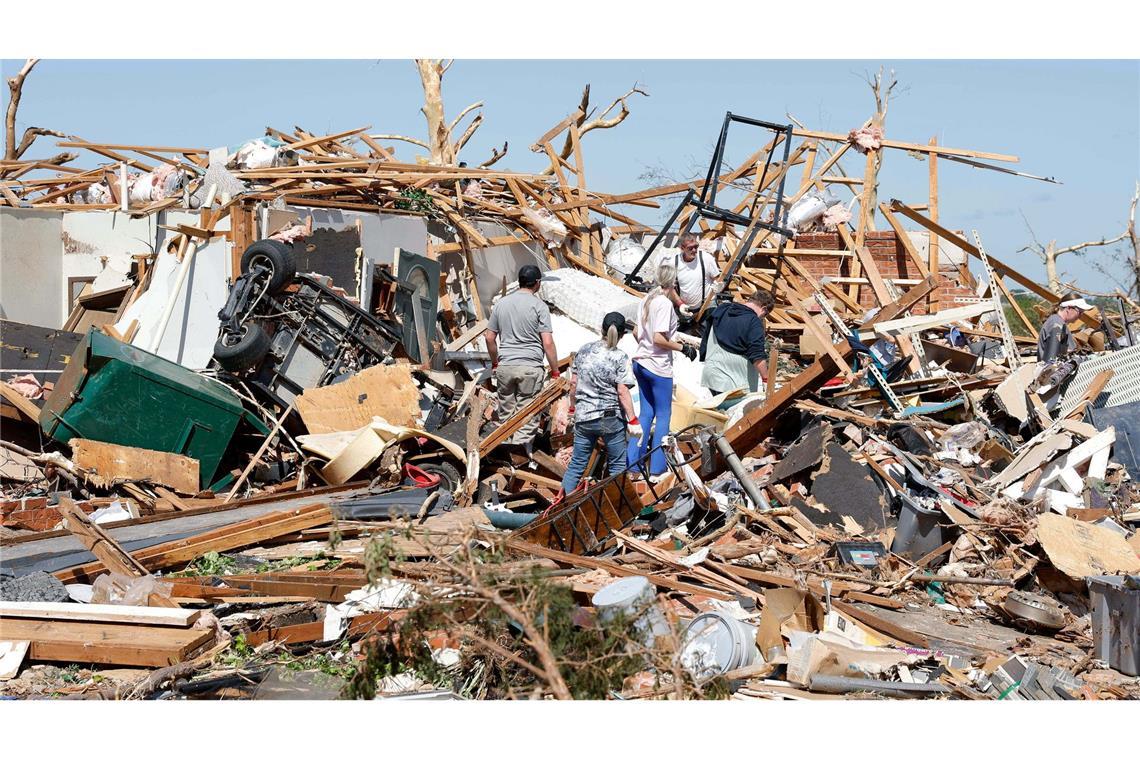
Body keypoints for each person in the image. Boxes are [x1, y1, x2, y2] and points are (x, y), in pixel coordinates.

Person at [628, 262, 697, 478]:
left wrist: (646, 345)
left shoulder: (646, 300)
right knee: (664, 415)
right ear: (673, 282)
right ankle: (658, 466)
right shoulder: (664, 304)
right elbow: (659, 338)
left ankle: (633, 464)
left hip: (640, 362)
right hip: (658, 366)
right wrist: (682, 348)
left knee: (646, 414)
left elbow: (636, 332)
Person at [560, 312, 641, 495]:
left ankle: (561, 506)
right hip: (610, 418)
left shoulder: (584, 350)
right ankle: (615, 509)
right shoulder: (620, 357)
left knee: (577, 466)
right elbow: (622, 391)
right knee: (617, 468)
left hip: (584, 416)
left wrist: (573, 408)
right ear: (621, 335)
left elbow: (573, 383)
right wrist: (633, 419)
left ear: (601, 329)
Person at [484, 265, 560, 448]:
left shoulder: (501, 304)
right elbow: (547, 343)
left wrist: (495, 362)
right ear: (537, 283)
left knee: (506, 416)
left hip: (505, 367)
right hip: (530, 368)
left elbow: (489, 337)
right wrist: (556, 371)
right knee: (527, 415)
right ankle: (518, 457)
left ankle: (505, 454)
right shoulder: (539, 306)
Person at [699, 289, 774, 408]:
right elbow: (757, 355)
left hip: (711, 374)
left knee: (719, 413)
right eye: (764, 315)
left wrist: (703, 356)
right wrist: (766, 378)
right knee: (733, 419)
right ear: (764, 309)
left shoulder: (722, 309)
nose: (762, 318)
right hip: (734, 384)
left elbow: (705, 335)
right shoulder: (754, 322)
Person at [668, 233, 722, 318]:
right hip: (685, 308)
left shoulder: (706, 258)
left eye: (696, 246)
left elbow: (717, 279)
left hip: (707, 305)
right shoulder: (673, 263)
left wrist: (719, 286)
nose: (694, 250)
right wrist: (680, 304)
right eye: (690, 248)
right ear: (682, 248)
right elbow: (670, 288)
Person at [1038, 294, 1093, 362]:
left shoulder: (1059, 323)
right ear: (1069, 308)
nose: (1080, 316)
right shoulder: (1056, 325)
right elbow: (1051, 360)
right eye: (1080, 312)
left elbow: (1061, 351)